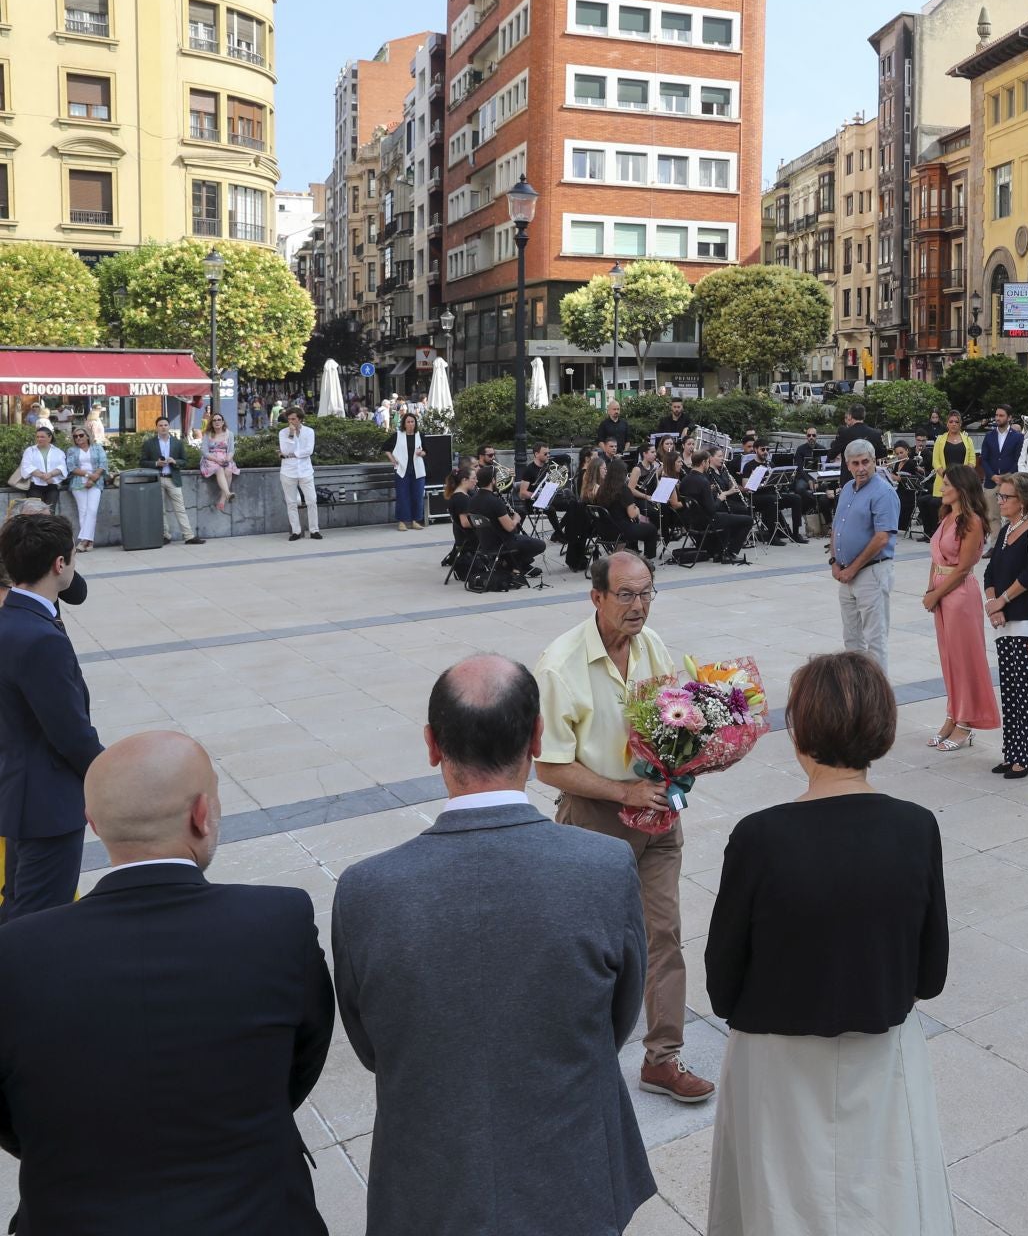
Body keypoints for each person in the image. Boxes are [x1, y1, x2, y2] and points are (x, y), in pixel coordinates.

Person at [333, 655, 656, 1235]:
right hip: (573, 1177)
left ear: (432, 745)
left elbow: (371, 1042)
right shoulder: (604, 868)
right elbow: (618, 1020)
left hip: (431, 1188)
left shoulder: (366, 889)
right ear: (536, 738)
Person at [0, 730, 332, 1234]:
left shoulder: (14, 954)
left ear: (92, 824)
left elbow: (11, 1117)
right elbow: (301, 1059)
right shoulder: (278, 921)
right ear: (203, 814)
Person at [704, 652, 953, 1236]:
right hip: (880, 1054)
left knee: (775, 1208)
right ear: (883, 730)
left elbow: (723, 982)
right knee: (886, 1205)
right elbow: (930, 974)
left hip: (775, 1069)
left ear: (800, 732)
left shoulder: (759, 838)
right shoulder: (917, 828)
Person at [533, 551, 714, 1103]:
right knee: (589, 944)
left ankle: (662, 1059)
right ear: (597, 598)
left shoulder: (653, 646)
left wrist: (685, 763)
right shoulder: (560, 665)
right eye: (627, 595)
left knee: (662, 935)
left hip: (657, 814)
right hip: (593, 818)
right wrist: (622, 792)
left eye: (647, 593)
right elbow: (547, 764)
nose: (639, 607)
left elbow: (672, 719)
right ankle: (576, 1058)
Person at [0, 513, 103, 923]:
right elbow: (71, 734)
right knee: (41, 921)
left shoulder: (13, 619)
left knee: (18, 906)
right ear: (60, 564)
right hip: (48, 804)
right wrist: (109, 779)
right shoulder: (40, 637)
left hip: (18, 794)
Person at [924, 464, 999, 751]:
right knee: (949, 659)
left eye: (947, 484)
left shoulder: (972, 522)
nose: (942, 488)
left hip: (959, 595)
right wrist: (930, 588)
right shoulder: (947, 517)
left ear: (961, 488)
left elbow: (963, 567)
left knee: (965, 659)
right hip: (942, 592)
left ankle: (966, 722)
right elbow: (936, 557)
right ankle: (952, 714)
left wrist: (936, 593)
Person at [984, 473, 1028, 780]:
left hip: (1025, 621)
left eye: (1005, 497)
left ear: (1022, 500)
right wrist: (992, 602)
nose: (1000, 501)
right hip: (1004, 623)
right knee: (1010, 692)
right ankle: (1012, 753)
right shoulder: (1006, 531)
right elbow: (989, 572)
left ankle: (1027, 756)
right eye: (1000, 496)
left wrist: (1004, 600)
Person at [830, 439, 897, 676]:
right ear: (847, 465)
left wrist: (853, 568)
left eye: (865, 462)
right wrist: (834, 561)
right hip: (846, 574)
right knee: (852, 639)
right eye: (855, 463)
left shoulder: (883, 492)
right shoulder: (848, 488)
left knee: (875, 640)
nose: (861, 468)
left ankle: (879, 702)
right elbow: (837, 525)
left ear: (874, 461)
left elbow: (881, 538)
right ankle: (858, 694)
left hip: (871, 572)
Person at [467, 467, 546, 579]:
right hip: (501, 544)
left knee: (524, 540)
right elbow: (510, 527)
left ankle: (512, 564)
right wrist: (516, 519)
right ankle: (513, 565)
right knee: (540, 545)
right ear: (493, 481)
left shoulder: (473, 500)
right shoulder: (495, 501)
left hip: (484, 542)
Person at [679, 448, 752, 562]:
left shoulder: (685, 479)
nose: (708, 464)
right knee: (748, 520)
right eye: (708, 462)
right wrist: (720, 497)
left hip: (691, 520)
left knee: (728, 515)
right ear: (703, 463)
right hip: (707, 521)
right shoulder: (703, 481)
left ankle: (719, 550)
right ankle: (729, 552)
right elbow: (712, 509)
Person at [141, 416, 203, 545]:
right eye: (160, 425)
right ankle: (165, 535)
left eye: (165, 425)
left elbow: (184, 461)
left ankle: (189, 536)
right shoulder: (149, 443)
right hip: (157, 479)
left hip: (173, 479)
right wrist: (156, 463)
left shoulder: (177, 443)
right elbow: (142, 462)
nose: (163, 427)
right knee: (160, 509)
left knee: (180, 508)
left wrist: (175, 462)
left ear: (169, 427)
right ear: (156, 427)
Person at [278, 407, 320, 541]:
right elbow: (285, 449)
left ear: (300, 419)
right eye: (289, 419)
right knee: (291, 502)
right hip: (288, 472)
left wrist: (292, 455)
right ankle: (296, 531)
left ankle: (314, 530)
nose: (291, 421)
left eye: (293, 419)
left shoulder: (309, 432)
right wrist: (291, 434)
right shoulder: (283, 432)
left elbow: (309, 450)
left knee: (312, 500)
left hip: (305, 471)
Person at [63, 425, 107, 552]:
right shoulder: (72, 450)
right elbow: (71, 467)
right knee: (83, 511)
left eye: (81, 435)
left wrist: (93, 479)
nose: (78, 438)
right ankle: (90, 542)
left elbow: (103, 464)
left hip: (96, 482)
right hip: (78, 483)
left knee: (92, 510)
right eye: (75, 436)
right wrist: (88, 475)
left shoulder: (97, 448)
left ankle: (83, 540)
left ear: (88, 436)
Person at [384, 410, 428, 531]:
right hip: (402, 470)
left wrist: (421, 453)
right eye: (408, 422)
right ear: (404, 423)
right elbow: (386, 448)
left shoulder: (420, 435)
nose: (410, 424)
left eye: (412, 421)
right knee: (403, 496)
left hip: (417, 470)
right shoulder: (398, 435)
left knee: (418, 495)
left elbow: (426, 451)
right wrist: (392, 460)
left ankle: (415, 520)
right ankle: (402, 521)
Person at [14, 426, 66, 510]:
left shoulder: (58, 452)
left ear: (49, 438)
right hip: (35, 486)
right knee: (36, 513)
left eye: (42, 437)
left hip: (52, 486)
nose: (39, 439)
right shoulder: (30, 450)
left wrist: (50, 474)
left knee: (50, 512)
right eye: (37, 437)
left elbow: (62, 467)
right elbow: (27, 466)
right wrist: (44, 477)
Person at [979, 404, 1023, 497]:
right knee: (991, 512)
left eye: (1001, 415)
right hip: (991, 484)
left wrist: (1006, 477)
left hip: (1010, 484)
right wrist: (992, 476)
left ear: (1009, 418)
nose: (997, 418)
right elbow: (983, 459)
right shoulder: (989, 436)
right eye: (996, 415)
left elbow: (1019, 460)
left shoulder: (1018, 437)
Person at [199, 412, 239, 513]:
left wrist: (227, 459)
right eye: (214, 420)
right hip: (211, 459)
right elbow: (204, 451)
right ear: (211, 423)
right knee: (219, 469)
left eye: (219, 420)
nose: (217, 422)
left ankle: (222, 500)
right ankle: (228, 493)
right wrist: (216, 459)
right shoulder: (208, 434)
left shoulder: (229, 434)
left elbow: (231, 450)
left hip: (225, 458)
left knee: (228, 471)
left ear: (222, 422)